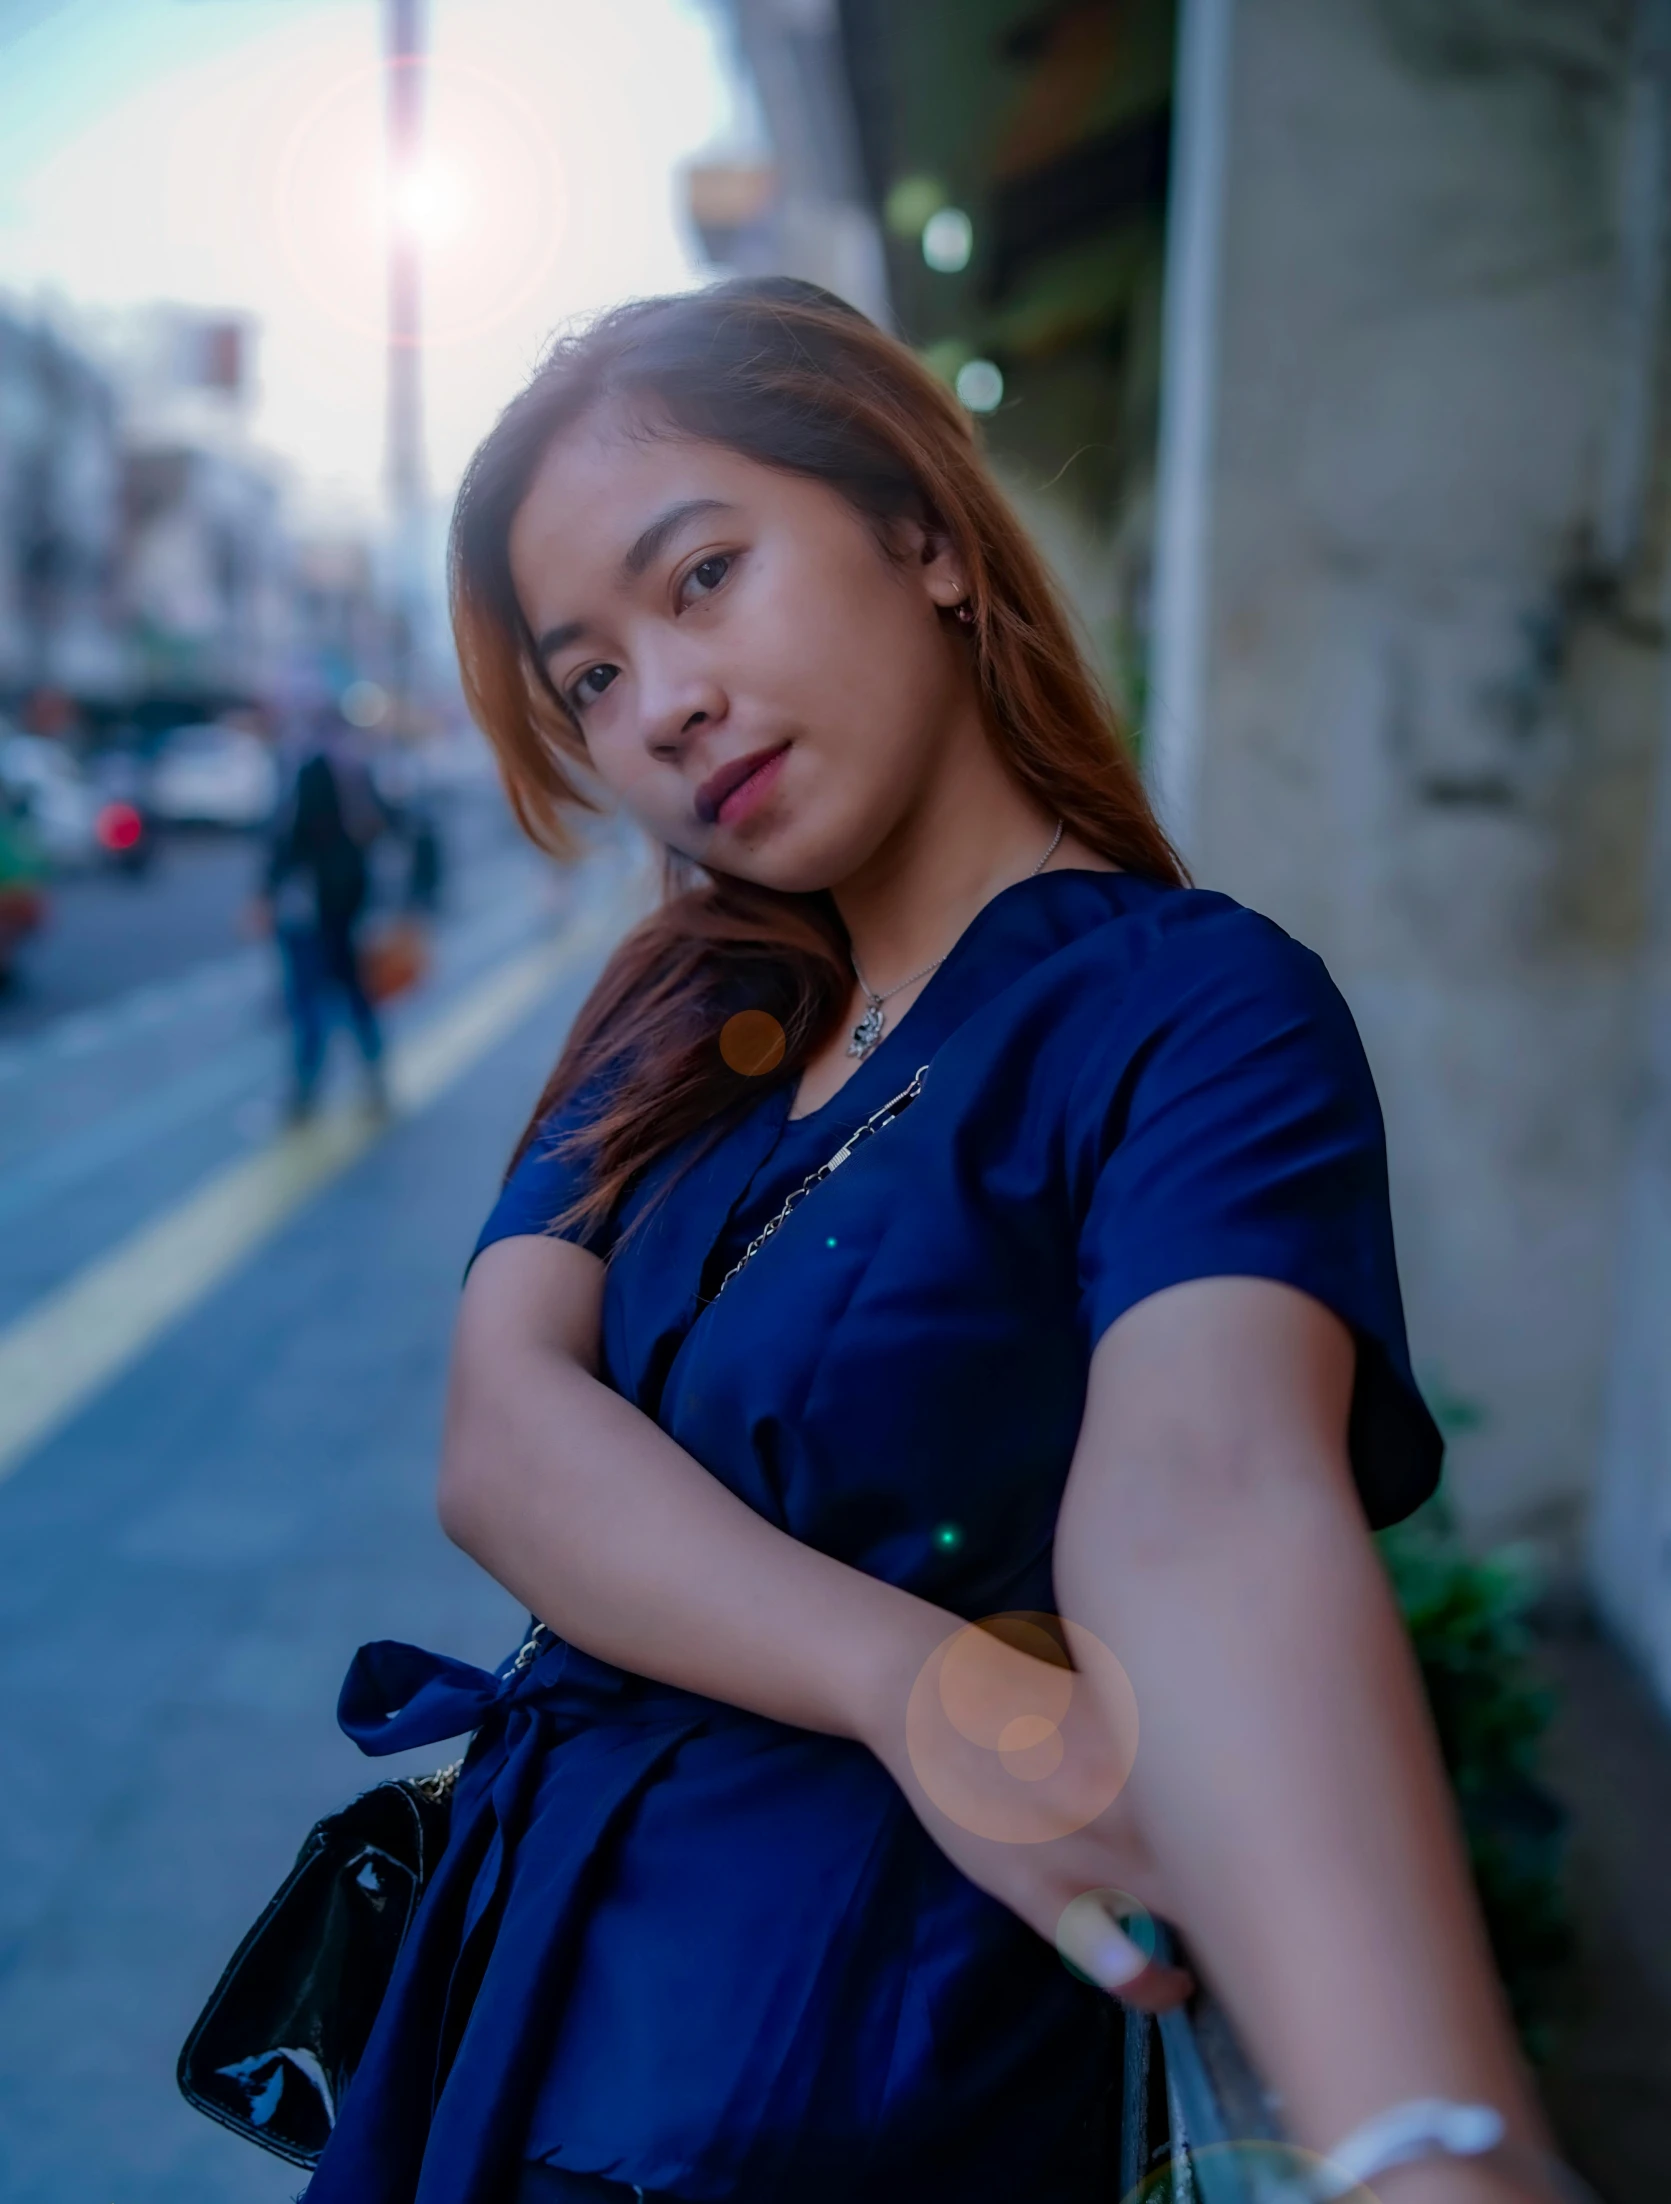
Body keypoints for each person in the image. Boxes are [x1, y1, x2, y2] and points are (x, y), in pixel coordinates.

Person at [303, 281, 1574, 2204]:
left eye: (703, 575)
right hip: (520, 2012)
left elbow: (1211, 1483)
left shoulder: (1192, 1009)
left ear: (919, 529)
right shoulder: (677, 1013)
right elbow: (504, 1432)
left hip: (853, 2064)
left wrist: (1421, 2138)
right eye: (589, 676)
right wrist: (919, 1682)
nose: (662, 701)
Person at [258, 708, 388, 1123]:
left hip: (312, 905)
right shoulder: (357, 767)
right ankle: (374, 1076)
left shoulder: (309, 768)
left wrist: (266, 891)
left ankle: (305, 1088)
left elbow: (290, 838)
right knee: (354, 991)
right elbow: (382, 823)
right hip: (352, 899)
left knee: (307, 997)